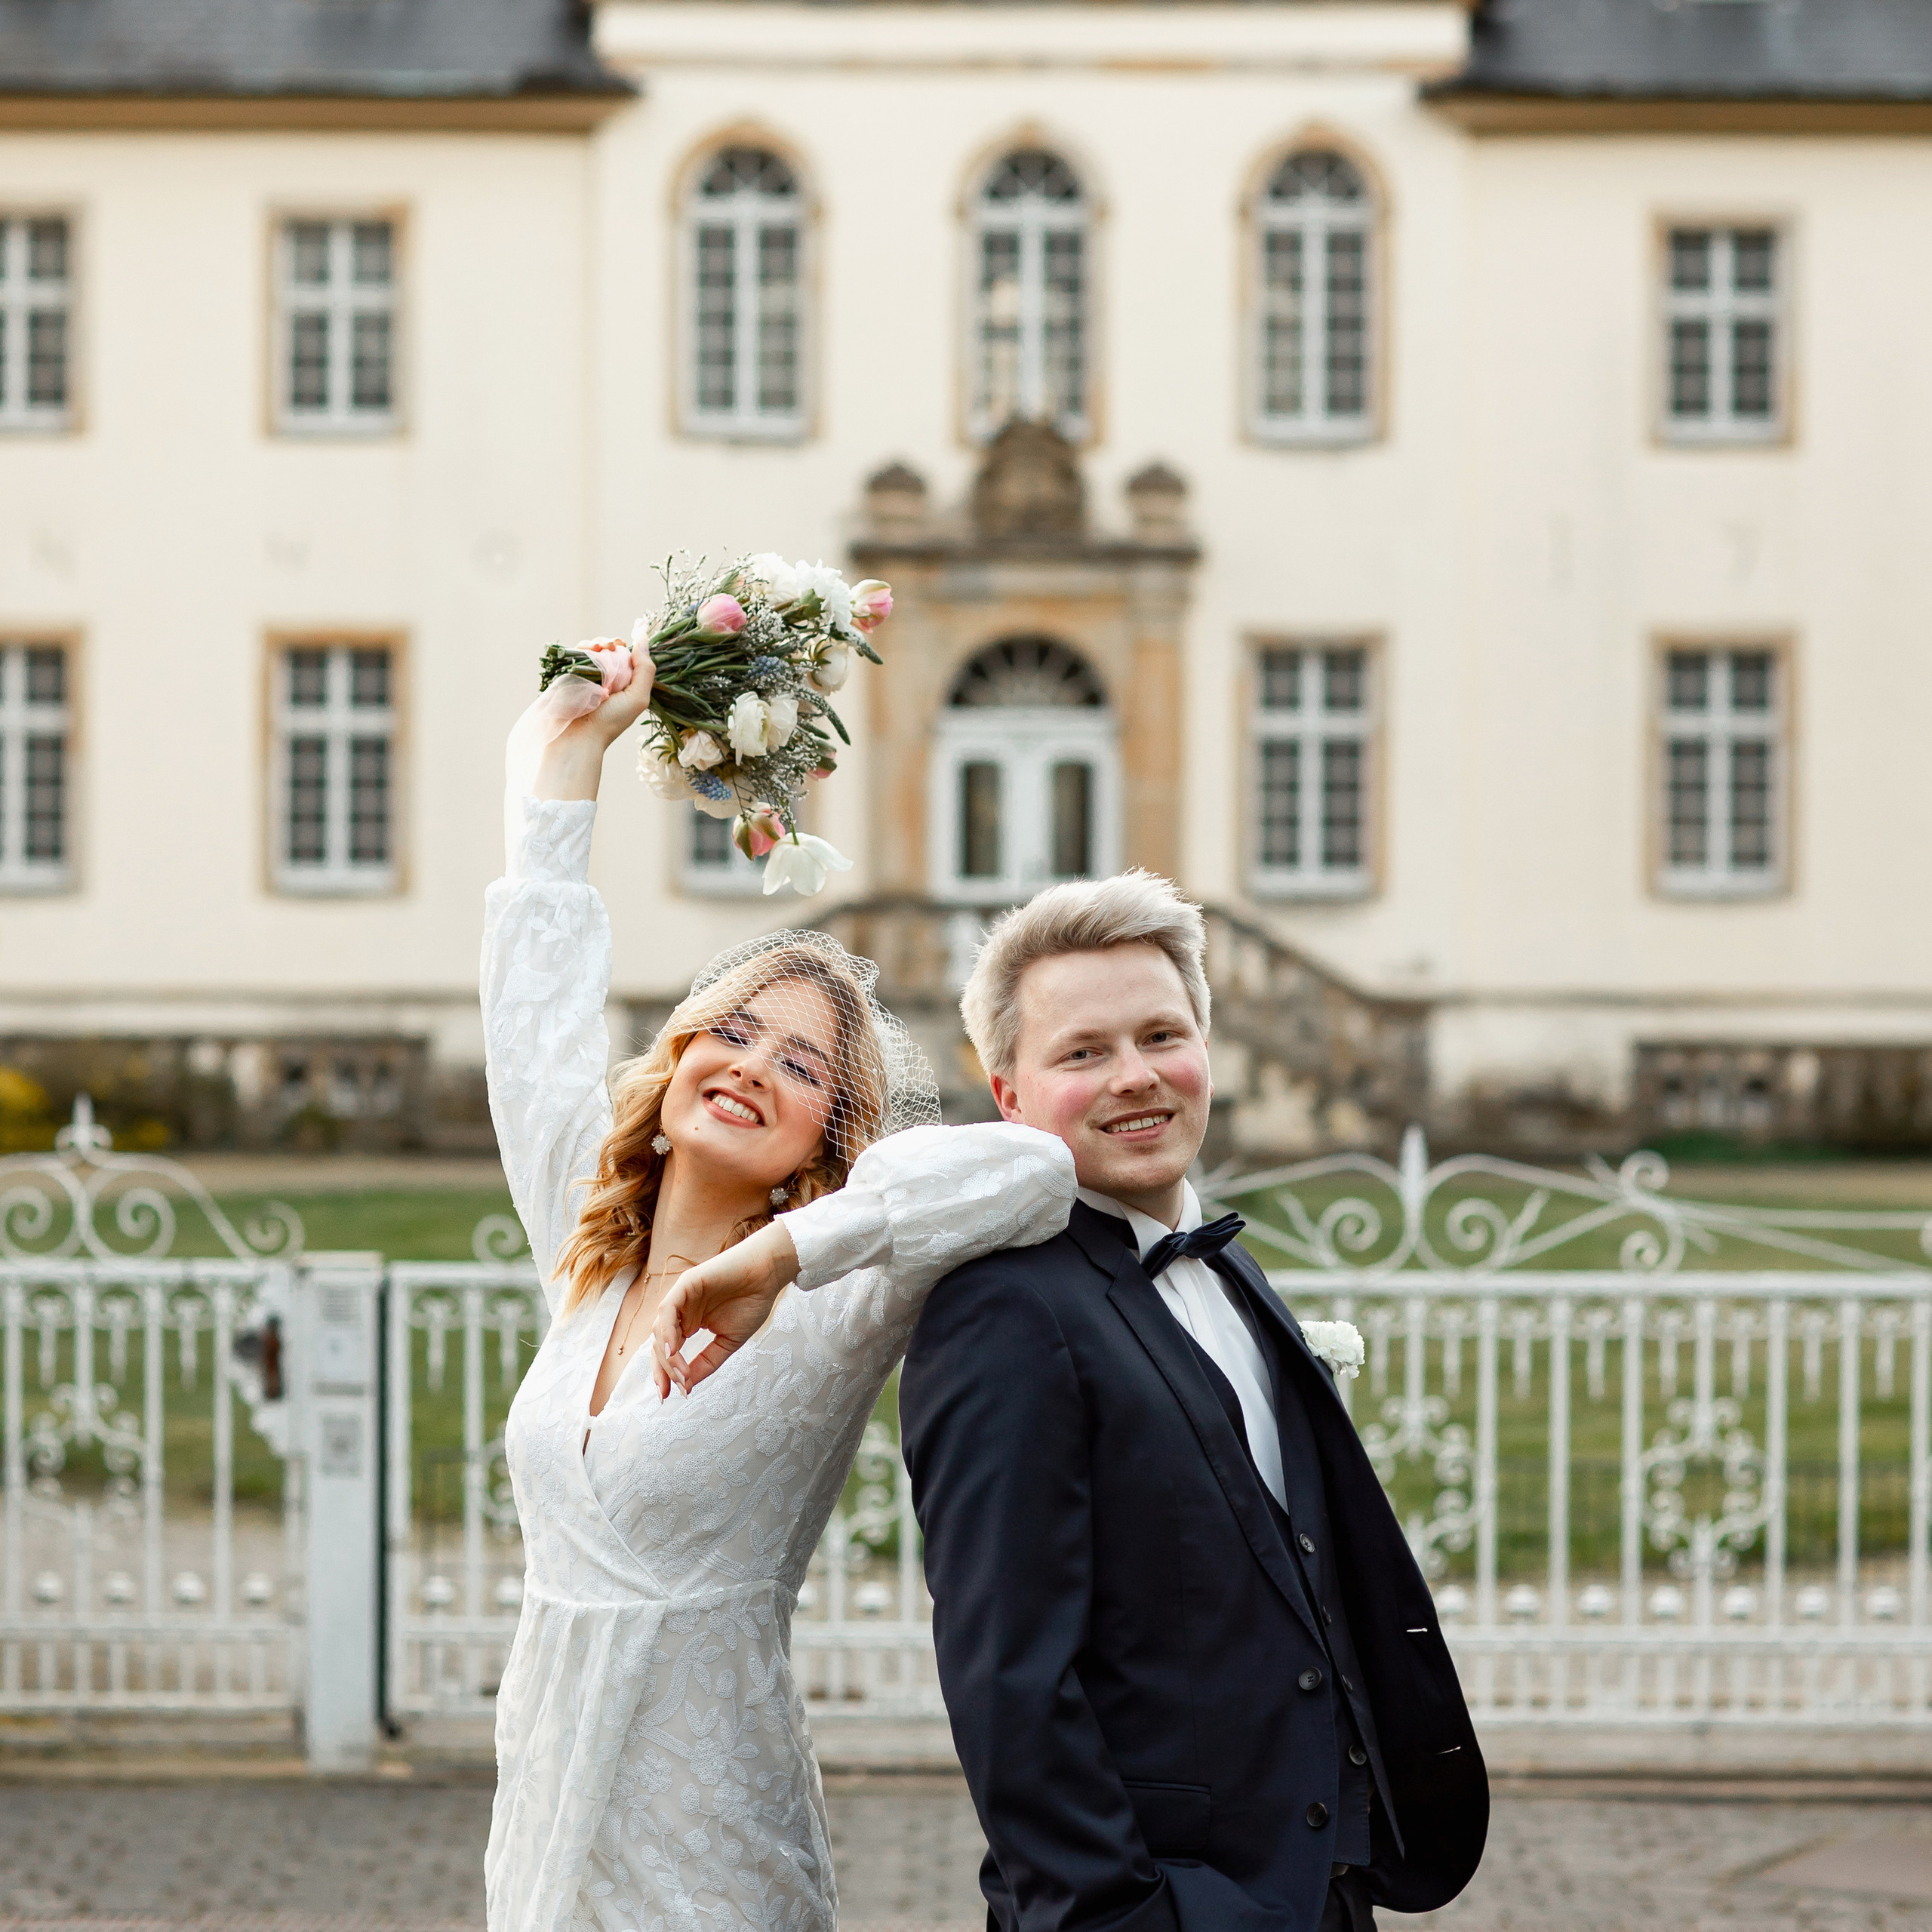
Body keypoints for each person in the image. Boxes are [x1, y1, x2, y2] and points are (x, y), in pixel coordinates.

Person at [480, 641, 1076, 1932]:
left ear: (829, 1132)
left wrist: (782, 1255)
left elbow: (1032, 1167)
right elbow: (533, 1028)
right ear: (682, 1054)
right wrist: (565, 762)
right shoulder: (584, 1252)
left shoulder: (837, 1298)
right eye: (736, 1031)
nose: (753, 1067)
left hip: (710, 1833)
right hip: (541, 1809)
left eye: (804, 1067)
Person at [896, 872, 1489, 1932]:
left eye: (1163, 1036)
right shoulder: (1004, 1312)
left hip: (1313, 1889)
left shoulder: (1225, 1267)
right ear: (1009, 1095)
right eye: (1083, 1053)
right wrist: (1130, 1915)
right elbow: (1009, 1682)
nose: (1137, 1078)